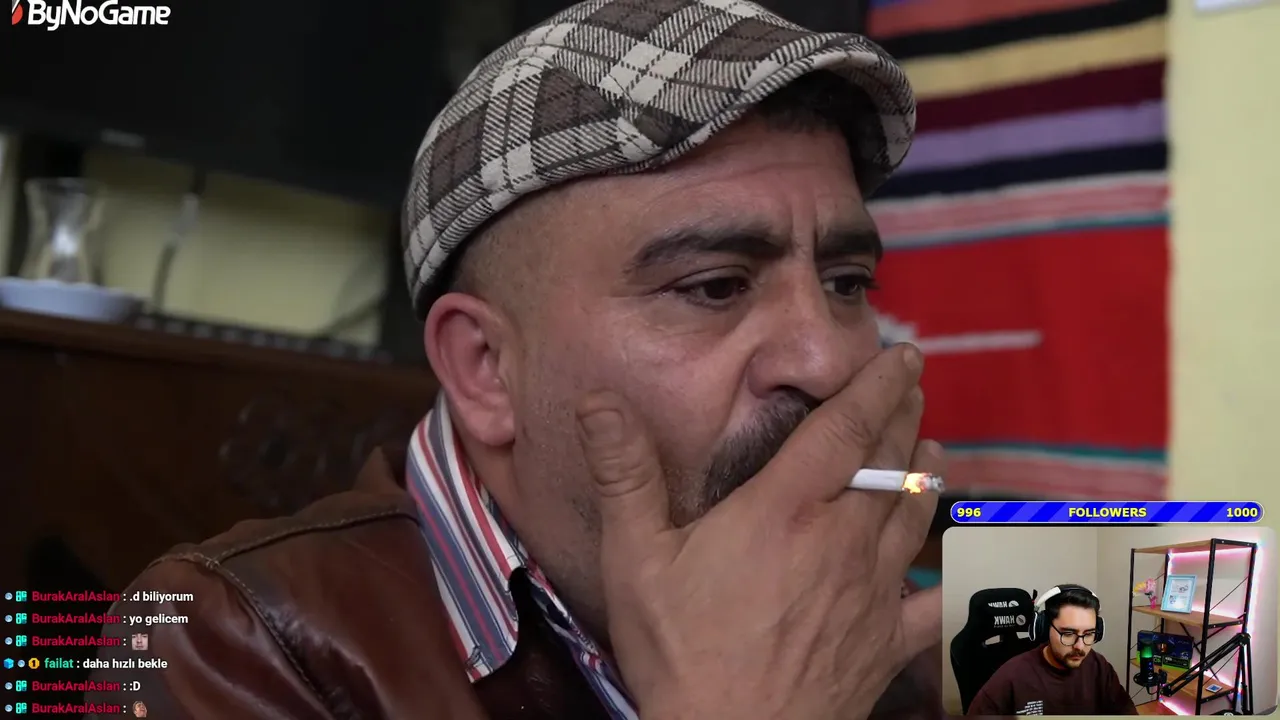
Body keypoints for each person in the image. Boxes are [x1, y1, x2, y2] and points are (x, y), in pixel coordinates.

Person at [84, 0, 946, 717]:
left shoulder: (901, 617)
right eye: (715, 287)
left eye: (845, 283)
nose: (826, 362)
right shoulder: (221, 643)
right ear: (486, 368)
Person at [967, 585, 1138, 716]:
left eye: (1088, 634)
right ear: (1044, 628)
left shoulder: (1099, 667)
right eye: (1068, 634)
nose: (1080, 646)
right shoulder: (1011, 677)